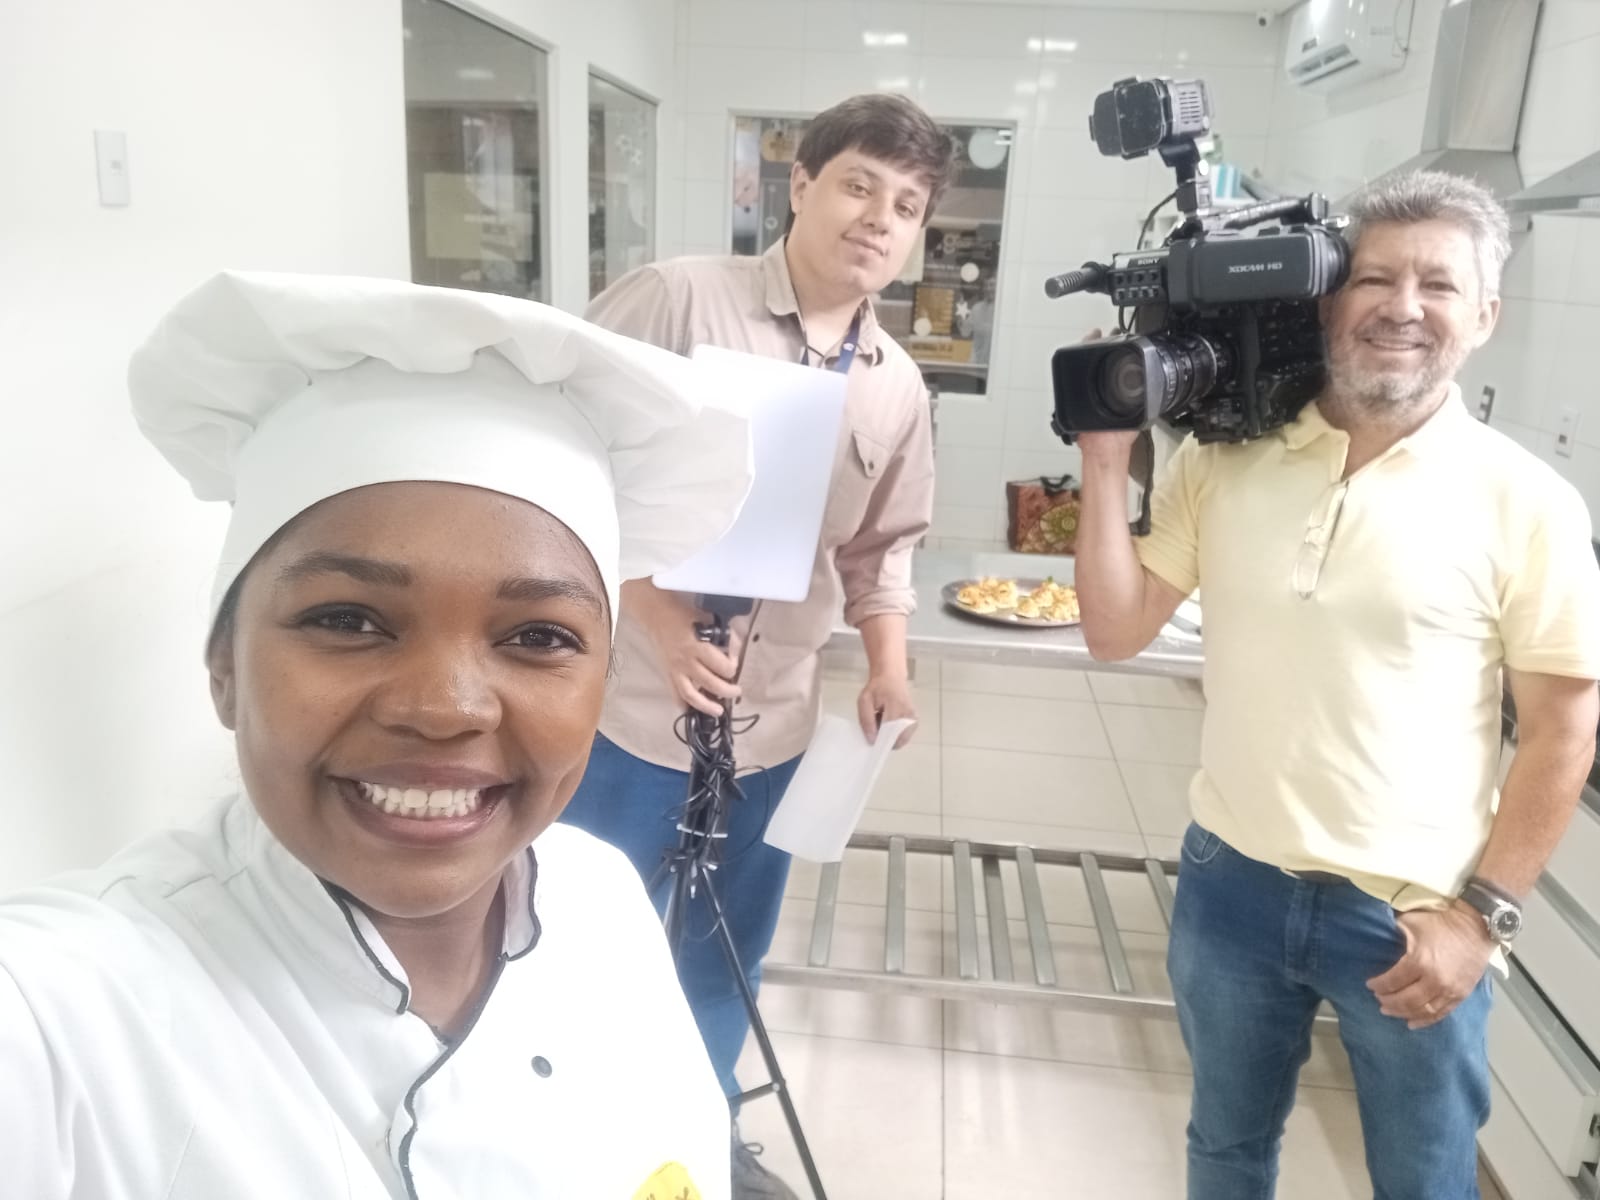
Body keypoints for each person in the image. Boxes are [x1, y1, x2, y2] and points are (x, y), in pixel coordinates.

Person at [0, 272, 759, 1199]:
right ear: (223, 665)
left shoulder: (602, 894)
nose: (444, 708)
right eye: (348, 620)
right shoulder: (66, 1016)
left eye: (538, 637)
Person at [1073, 169, 1600, 1198]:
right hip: (1230, 883)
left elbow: (1563, 729)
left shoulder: (1528, 503)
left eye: (1438, 285)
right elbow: (1113, 630)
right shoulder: (1224, 460)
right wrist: (1104, 463)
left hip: (1413, 913)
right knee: (1225, 1149)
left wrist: (1480, 917)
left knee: (1422, 1180)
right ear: (1326, 298)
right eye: (1374, 278)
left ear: (1484, 316)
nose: (1403, 306)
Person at [557, 92, 955, 1193]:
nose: (879, 218)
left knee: (723, 953)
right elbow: (566, 467)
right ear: (801, 184)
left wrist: (888, 666)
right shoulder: (678, 300)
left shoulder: (895, 384)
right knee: (575, 934)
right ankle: (566, 1144)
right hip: (630, 717)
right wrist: (653, 613)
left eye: (906, 205)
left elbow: (882, 551)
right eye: (860, 185)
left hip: (772, 729)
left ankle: (696, 1140)